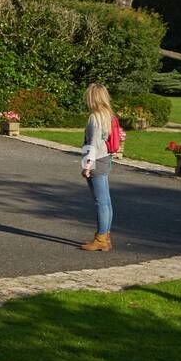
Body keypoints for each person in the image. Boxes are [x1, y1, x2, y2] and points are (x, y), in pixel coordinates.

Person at [78, 82, 115, 251]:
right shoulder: (108, 114)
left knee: (100, 202)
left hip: (96, 161)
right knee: (106, 201)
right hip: (105, 159)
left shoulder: (95, 117)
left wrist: (87, 166)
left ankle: (100, 239)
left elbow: (92, 144)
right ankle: (105, 236)